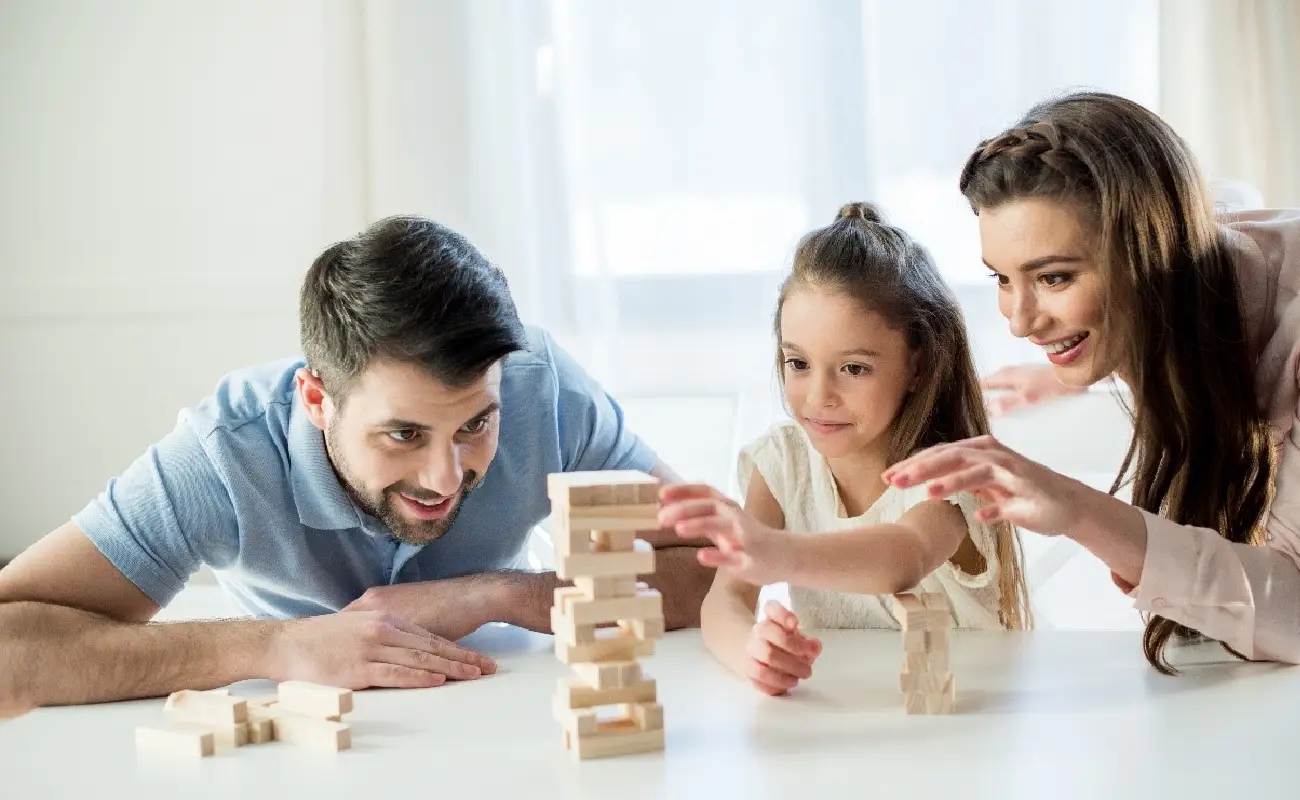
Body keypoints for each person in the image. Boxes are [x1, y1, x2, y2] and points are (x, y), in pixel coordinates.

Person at [0, 216, 712, 716]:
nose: (444, 476)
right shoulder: (224, 455)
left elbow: (712, 566)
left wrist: (493, 593)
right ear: (317, 399)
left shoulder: (540, 386)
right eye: (402, 434)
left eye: (477, 425)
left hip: (504, 714)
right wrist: (278, 645)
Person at [879, 91, 1300, 671]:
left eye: (1052, 278)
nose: (1021, 322)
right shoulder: (1197, 251)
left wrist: (1074, 509)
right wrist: (1076, 367)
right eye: (1001, 278)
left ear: (1150, 252)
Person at [657, 203, 1032, 696]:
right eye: (798, 363)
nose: (818, 397)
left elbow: (904, 555)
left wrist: (777, 552)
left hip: (964, 726)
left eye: (853, 368)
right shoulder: (782, 464)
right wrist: (752, 652)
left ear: (917, 364)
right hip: (847, 719)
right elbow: (724, 601)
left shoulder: (950, 470)